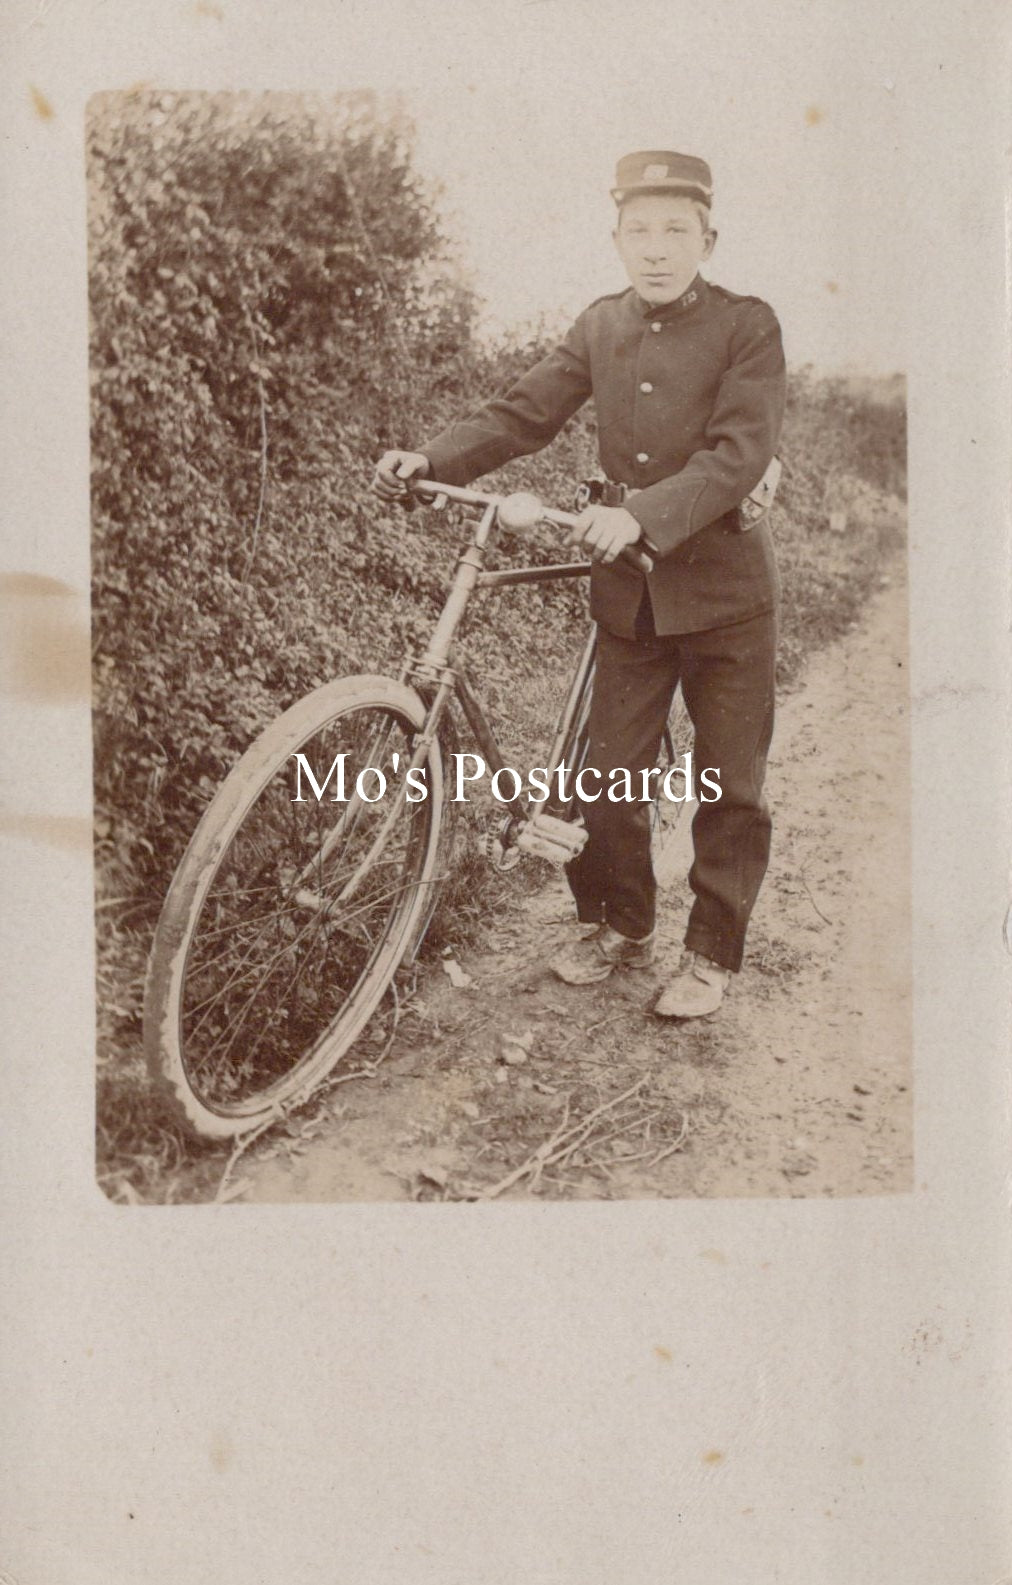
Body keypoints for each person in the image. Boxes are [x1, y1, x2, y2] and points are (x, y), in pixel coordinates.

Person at [373, 150, 786, 1018]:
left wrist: (642, 513)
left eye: (677, 230)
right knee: (607, 779)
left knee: (729, 784)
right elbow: (521, 414)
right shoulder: (601, 325)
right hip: (630, 597)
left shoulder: (748, 326)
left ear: (708, 237)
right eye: (640, 231)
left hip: (724, 598)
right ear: (616, 239)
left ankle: (711, 950)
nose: (658, 249)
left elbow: (737, 453)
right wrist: (433, 457)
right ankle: (618, 921)